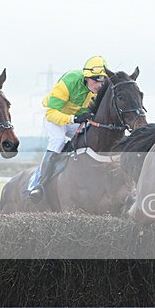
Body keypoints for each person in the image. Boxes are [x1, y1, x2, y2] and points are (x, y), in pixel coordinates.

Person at [28, 55, 108, 202]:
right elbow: (51, 113)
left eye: (103, 81)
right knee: (58, 140)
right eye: (96, 80)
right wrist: (74, 119)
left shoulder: (99, 88)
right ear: (86, 77)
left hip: (75, 120)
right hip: (56, 118)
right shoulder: (69, 82)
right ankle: (39, 184)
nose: (99, 85)